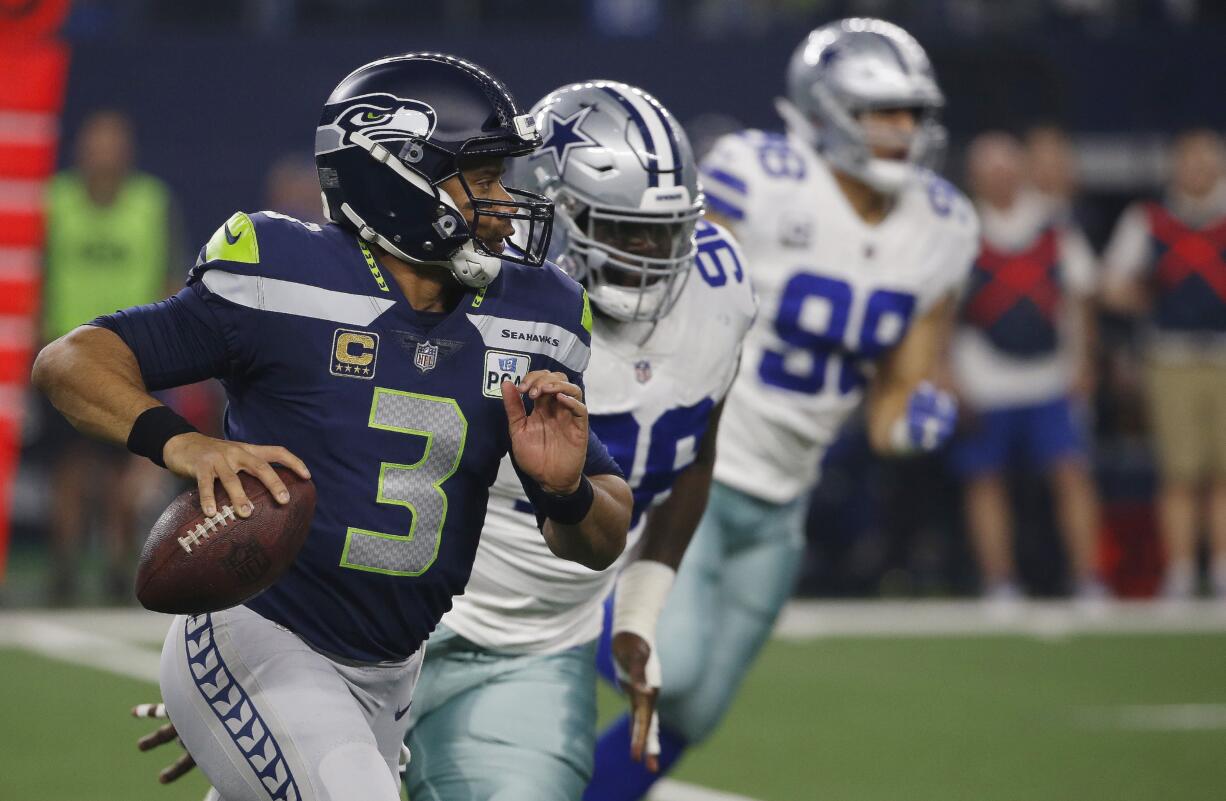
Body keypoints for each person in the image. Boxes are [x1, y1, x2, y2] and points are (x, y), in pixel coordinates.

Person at [33, 53, 632, 801]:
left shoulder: (534, 313)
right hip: (258, 631)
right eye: (480, 179)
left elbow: (603, 535)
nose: (505, 202)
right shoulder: (283, 276)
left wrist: (568, 491)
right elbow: (71, 360)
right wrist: (181, 442)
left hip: (392, 673)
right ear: (396, 173)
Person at [587, 19, 979, 801]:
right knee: (670, 666)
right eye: (884, 111)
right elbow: (666, 304)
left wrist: (912, 420)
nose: (904, 129)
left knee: (696, 706)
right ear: (829, 108)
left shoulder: (944, 224)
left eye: (912, 112)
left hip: (782, 500)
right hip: (696, 470)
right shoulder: (757, 175)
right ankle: (546, 644)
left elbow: (895, 394)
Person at [401, 81, 755, 801]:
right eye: (623, 228)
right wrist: (270, 645)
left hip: (537, 648)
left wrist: (639, 613)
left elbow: (693, 454)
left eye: (665, 229)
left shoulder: (720, 291)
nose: (651, 252)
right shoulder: (470, 295)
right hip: (389, 622)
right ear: (553, 212)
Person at [949, 132, 1104, 601]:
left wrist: (1084, 362)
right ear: (975, 178)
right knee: (984, 481)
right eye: (989, 170)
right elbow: (940, 311)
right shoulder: (961, 230)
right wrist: (946, 372)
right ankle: (1000, 581)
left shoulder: (1054, 226)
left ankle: (1089, 579)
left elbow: (1080, 298)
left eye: (1006, 169)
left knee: (1071, 475)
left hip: (1049, 376)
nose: (999, 178)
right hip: (983, 378)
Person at [40, 109, 184, 603]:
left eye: (113, 143)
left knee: (126, 475)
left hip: (130, 356)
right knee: (69, 472)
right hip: (63, 356)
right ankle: (63, 570)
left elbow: (170, 278)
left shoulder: (150, 203)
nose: (103, 153)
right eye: (96, 142)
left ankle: (119, 569)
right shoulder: (54, 201)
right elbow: (36, 274)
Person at [1102, 129, 1226, 599]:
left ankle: (1219, 568)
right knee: (1179, 472)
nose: (1197, 170)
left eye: (1205, 160)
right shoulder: (1149, 219)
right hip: (1172, 356)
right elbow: (1111, 284)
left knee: (1222, 472)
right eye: (1188, 160)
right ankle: (1178, 569)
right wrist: (1147, 296)